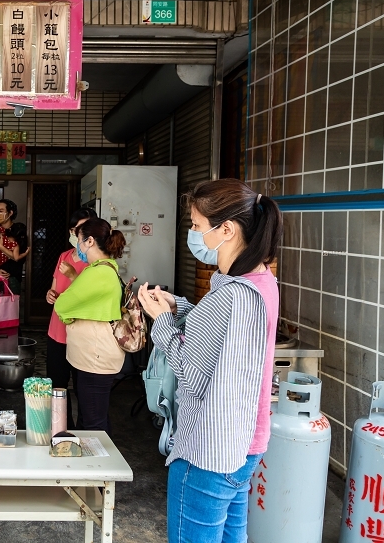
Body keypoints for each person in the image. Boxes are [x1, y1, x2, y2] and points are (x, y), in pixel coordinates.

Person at [137, 178, 281, 543]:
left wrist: (162, 321)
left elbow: (192, 374)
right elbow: (217, 336)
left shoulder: (230, 296)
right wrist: (180, 306)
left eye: (197, 226)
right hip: (246, 442)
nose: (193, 234)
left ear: (227, 230)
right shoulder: (261, 282)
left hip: (208, 451)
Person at [53, 218, 125, 434]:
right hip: (95, 354)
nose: (78, 245)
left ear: (90, 241)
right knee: (91, 416)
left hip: (95, 357)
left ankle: (99, 465)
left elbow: (62, 305)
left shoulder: (97, 273)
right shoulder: (104, 268)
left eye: (80, 240)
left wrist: (69, 316)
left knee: (93, 423)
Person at [45, 208, 98, 429]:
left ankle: (84, 433)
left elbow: (90, 298)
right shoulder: (64, 256)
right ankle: (61, 429)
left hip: (81, 335)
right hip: (56, 331)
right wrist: (50, 294)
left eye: (86, 230)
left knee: (83, 389)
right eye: (78, 230)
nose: (81, 235)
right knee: (57, 386)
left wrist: (73, 276)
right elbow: (55, 290)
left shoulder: (96, 262)